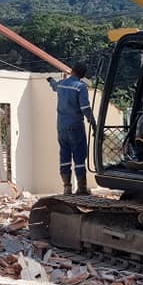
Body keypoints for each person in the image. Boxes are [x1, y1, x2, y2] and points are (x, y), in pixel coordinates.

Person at [47, 63, 97, 195]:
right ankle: (81, 188)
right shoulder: (80, 87)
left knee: (65, 155)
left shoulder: (62, 84)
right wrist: (93, 123)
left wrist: (50, 80)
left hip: (61, 127)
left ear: (72, 71)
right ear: (83, 75)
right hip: (75, 126)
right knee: (79, 156)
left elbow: (54, 86)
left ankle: (67, 187)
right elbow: (85, 108)